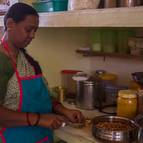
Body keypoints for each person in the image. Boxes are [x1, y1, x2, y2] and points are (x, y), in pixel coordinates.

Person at [0, 3, 84, 143]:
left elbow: (43, 97)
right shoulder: (2, 62)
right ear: (10, 24)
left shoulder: (28, 61)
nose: (33, 36)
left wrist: (64, 110)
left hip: (41, 137)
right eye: (28, 29)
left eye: (35, 30)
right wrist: (39, 119)